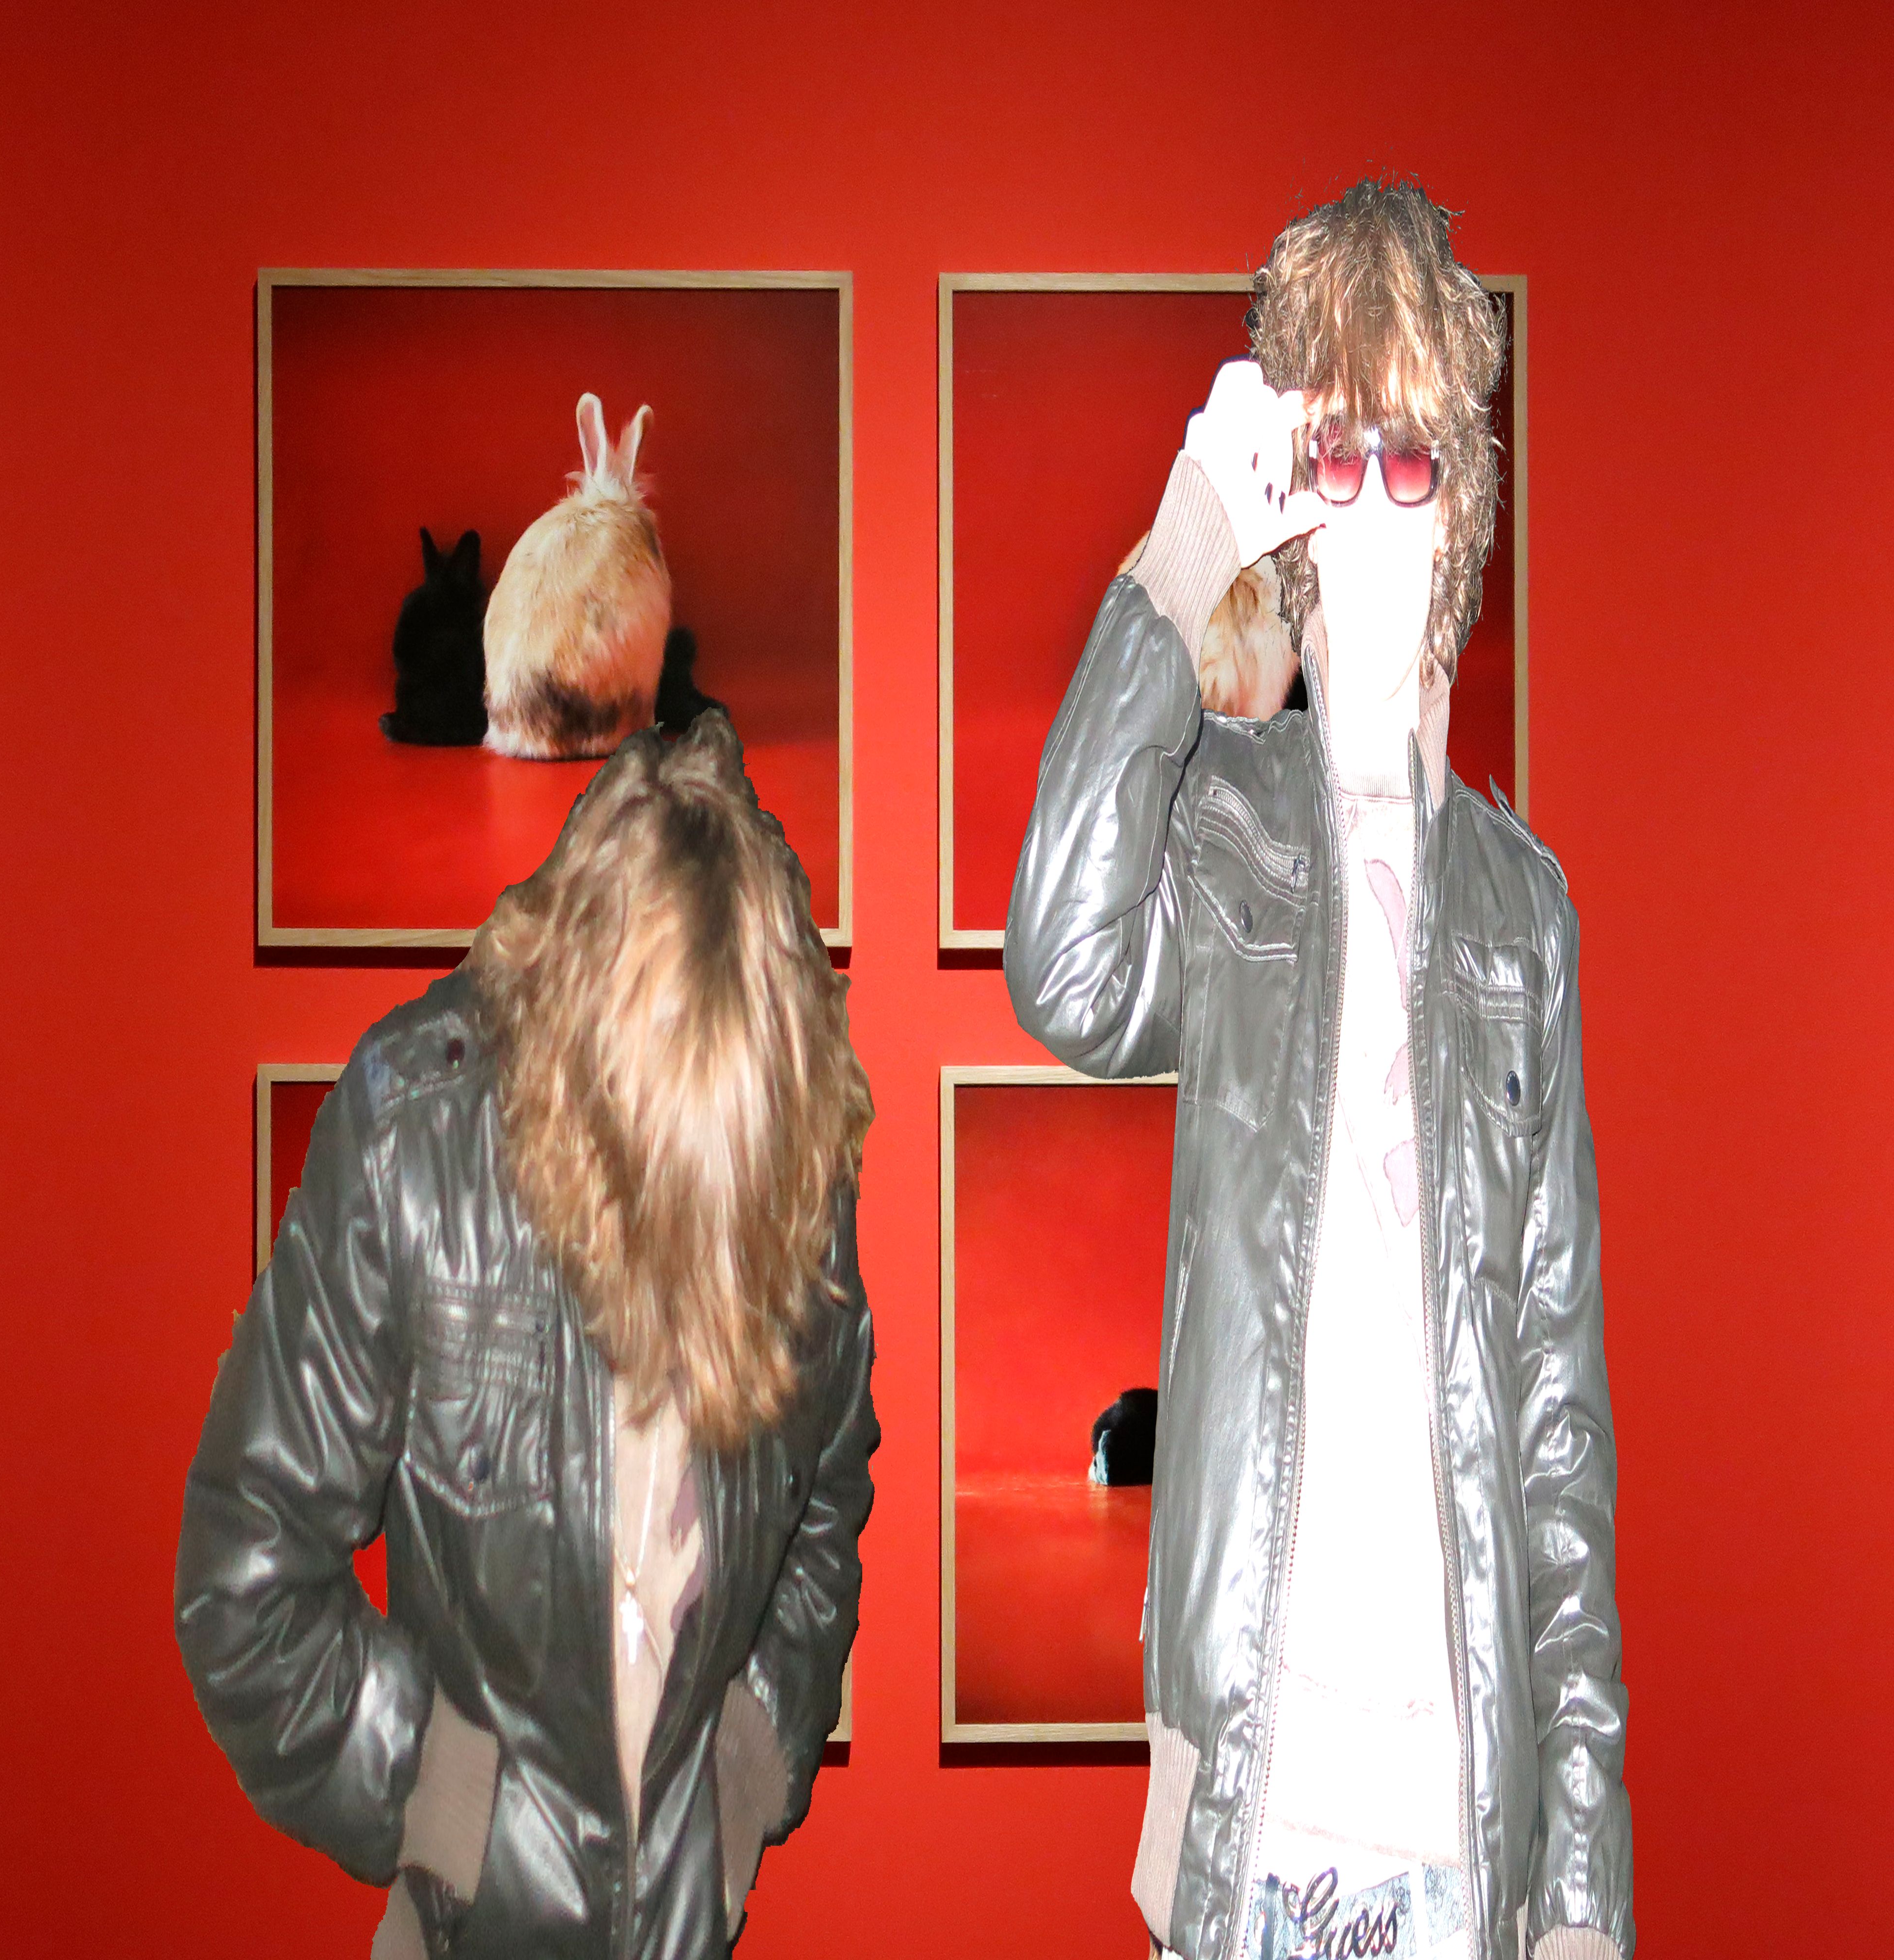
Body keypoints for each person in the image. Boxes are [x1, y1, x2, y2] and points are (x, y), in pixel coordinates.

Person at [1006, 180, 1631, 1960]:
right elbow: (1060, 965)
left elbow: (1559, 1422)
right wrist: (1179, 553)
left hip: (1460, 1841)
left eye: (1405, 461)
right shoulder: (1223, 829)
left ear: (1461, 504)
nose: (1366, 505)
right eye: (1327, 458)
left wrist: (1583, 1883)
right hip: (1254, 1827)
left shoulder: (1522, 912)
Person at [177, 713, 877, 1959]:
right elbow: (246, 1574)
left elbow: (824, 1490)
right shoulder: (418, 1133)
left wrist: (745, 1778)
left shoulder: (787, 1136)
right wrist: (445, 1804)